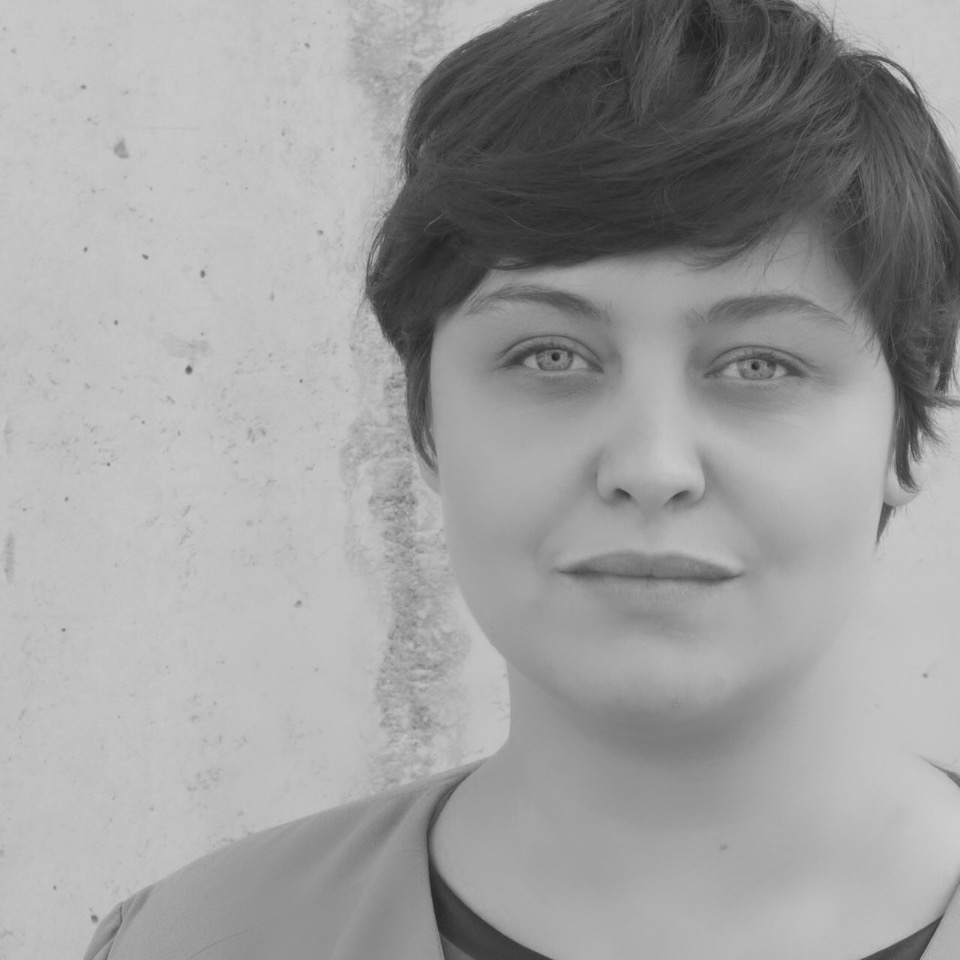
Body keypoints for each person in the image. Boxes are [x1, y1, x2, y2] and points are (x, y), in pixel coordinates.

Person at [83, 0, 960, 958]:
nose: (651, 466)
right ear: (424, 423)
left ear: (905, 435)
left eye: (760, 365)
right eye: (551, 356)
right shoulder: (198, 942)